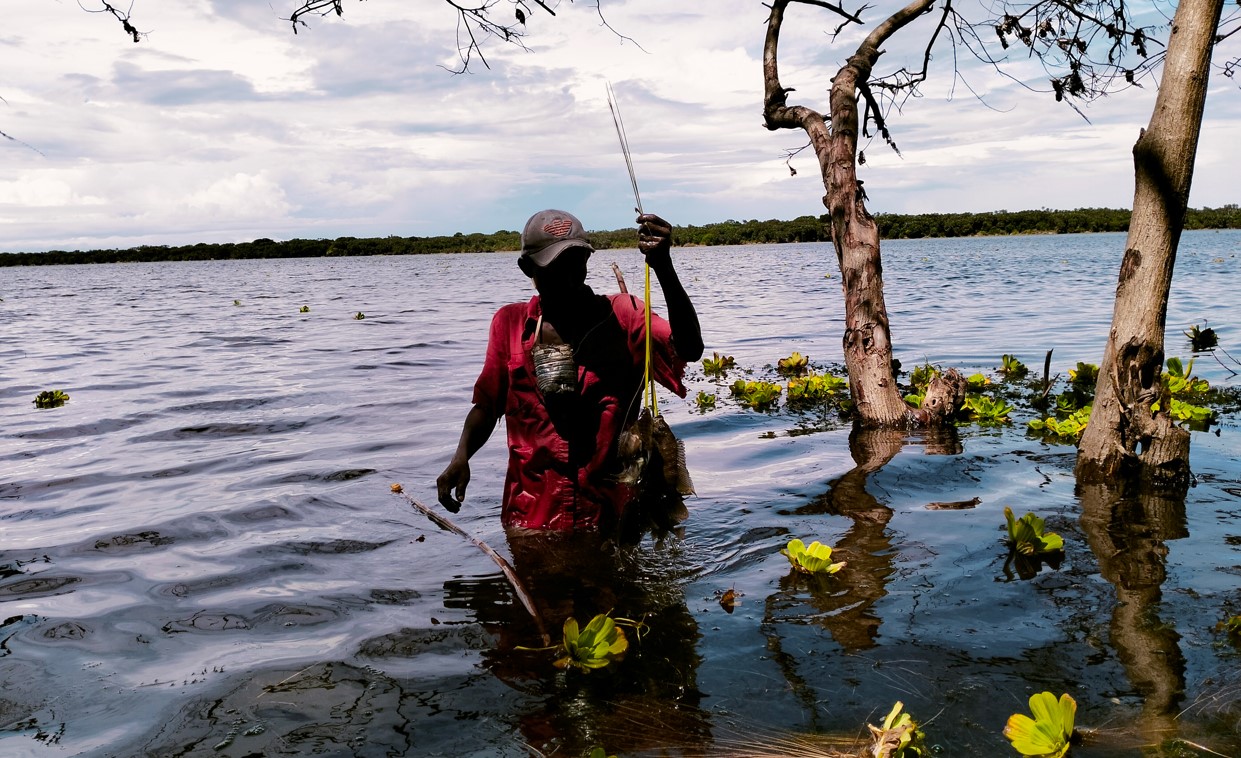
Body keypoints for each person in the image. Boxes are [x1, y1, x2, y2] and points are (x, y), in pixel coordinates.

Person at [436, 209, 703, 532]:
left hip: (610, 521)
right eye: (553, 269)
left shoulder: (625, 316)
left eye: (576, 264)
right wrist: (461, 456)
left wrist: (664, 266)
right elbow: (487, 405)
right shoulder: (508, 323)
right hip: (529, 520)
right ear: (527, 268)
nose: (568, 278)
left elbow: (690, 348)